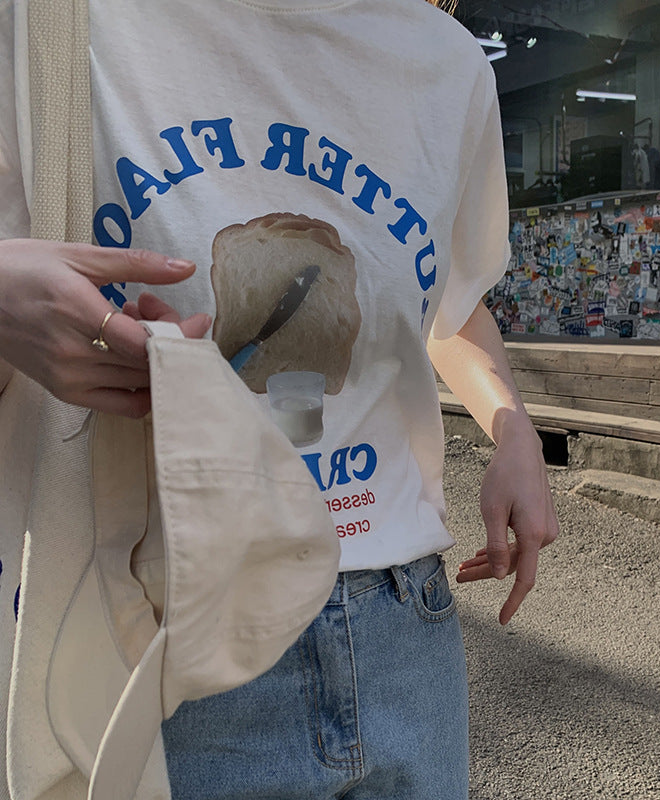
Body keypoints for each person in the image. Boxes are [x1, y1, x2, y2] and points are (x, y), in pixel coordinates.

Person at [0, 0, 558, 797]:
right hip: (163, 633)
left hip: (406, 627)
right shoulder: (51, 25)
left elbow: (448, 297)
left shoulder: (448, 65)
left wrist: (513, 429)